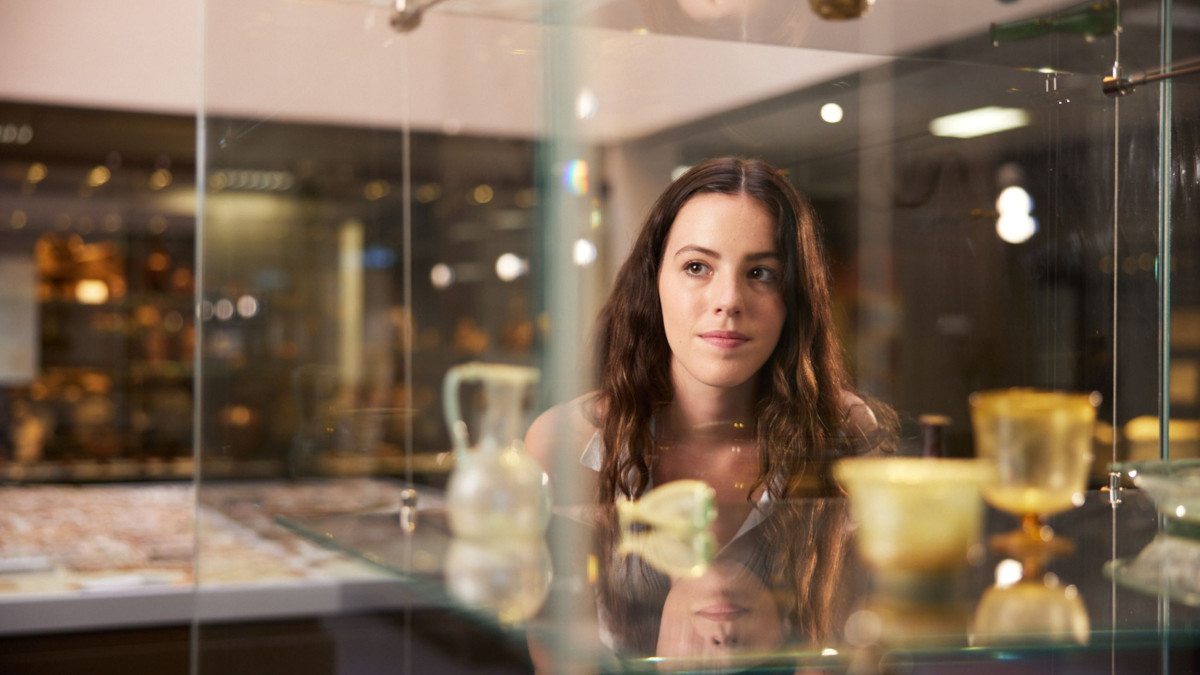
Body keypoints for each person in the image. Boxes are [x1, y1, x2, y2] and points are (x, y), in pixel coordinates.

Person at [524, 156, 893, 661]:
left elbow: (851, 653)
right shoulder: (567, 443)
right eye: (697, 267)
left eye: (761, 273)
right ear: (654, 281)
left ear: (795, 297)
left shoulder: (845, 434)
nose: (728, 300)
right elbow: (561, 667)